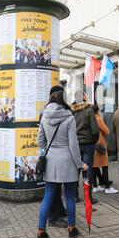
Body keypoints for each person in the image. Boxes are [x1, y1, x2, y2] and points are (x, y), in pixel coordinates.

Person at [36, 90, 88, 238]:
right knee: (70, 196)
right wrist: (80, 163)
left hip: (51, 160)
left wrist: (49, 149)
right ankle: (72, 229)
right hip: (68, 161)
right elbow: (73, 144)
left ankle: (41, 232)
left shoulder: (45, 115)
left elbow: (40, 140)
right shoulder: (69, 117)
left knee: (48, 196)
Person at [39, 85, 68, 229]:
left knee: (56, 187)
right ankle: (53, 217)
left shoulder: (46, 110)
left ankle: (59, 210)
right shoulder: (52, 112)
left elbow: (41, 138)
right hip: (56, 155)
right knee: (53, 189)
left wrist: (45, 151)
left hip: (50, 154)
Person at [71, 90, 100, 204]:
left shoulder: (70, 111)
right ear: (83, 97)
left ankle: (74, 196)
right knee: (88, 171)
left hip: (75, 145)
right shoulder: (89, 110)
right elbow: (95, 129)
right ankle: (88, 197)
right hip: (88, 144)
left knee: (75, 171)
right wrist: (93, 141)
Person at [91, 104, 118, 194]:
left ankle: (95, 186)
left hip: (92, 145)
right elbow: (107, 131)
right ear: (97, 111)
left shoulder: (88, 119)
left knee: (94, 166)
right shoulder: (98, 119)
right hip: (100, 146)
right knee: (105, 166)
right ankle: (107, 187)